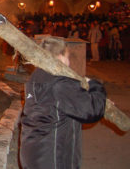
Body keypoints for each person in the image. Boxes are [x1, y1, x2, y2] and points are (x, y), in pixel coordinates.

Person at [20, 36, 107, 169]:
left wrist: (91, 97)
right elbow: (91, 111)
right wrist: (96, 87)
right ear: (60, 57)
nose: (69, 61)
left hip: (34, 153)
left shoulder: (36, 76)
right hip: (52, 156)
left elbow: (62, 105)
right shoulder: (59, 83)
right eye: (67, 56)